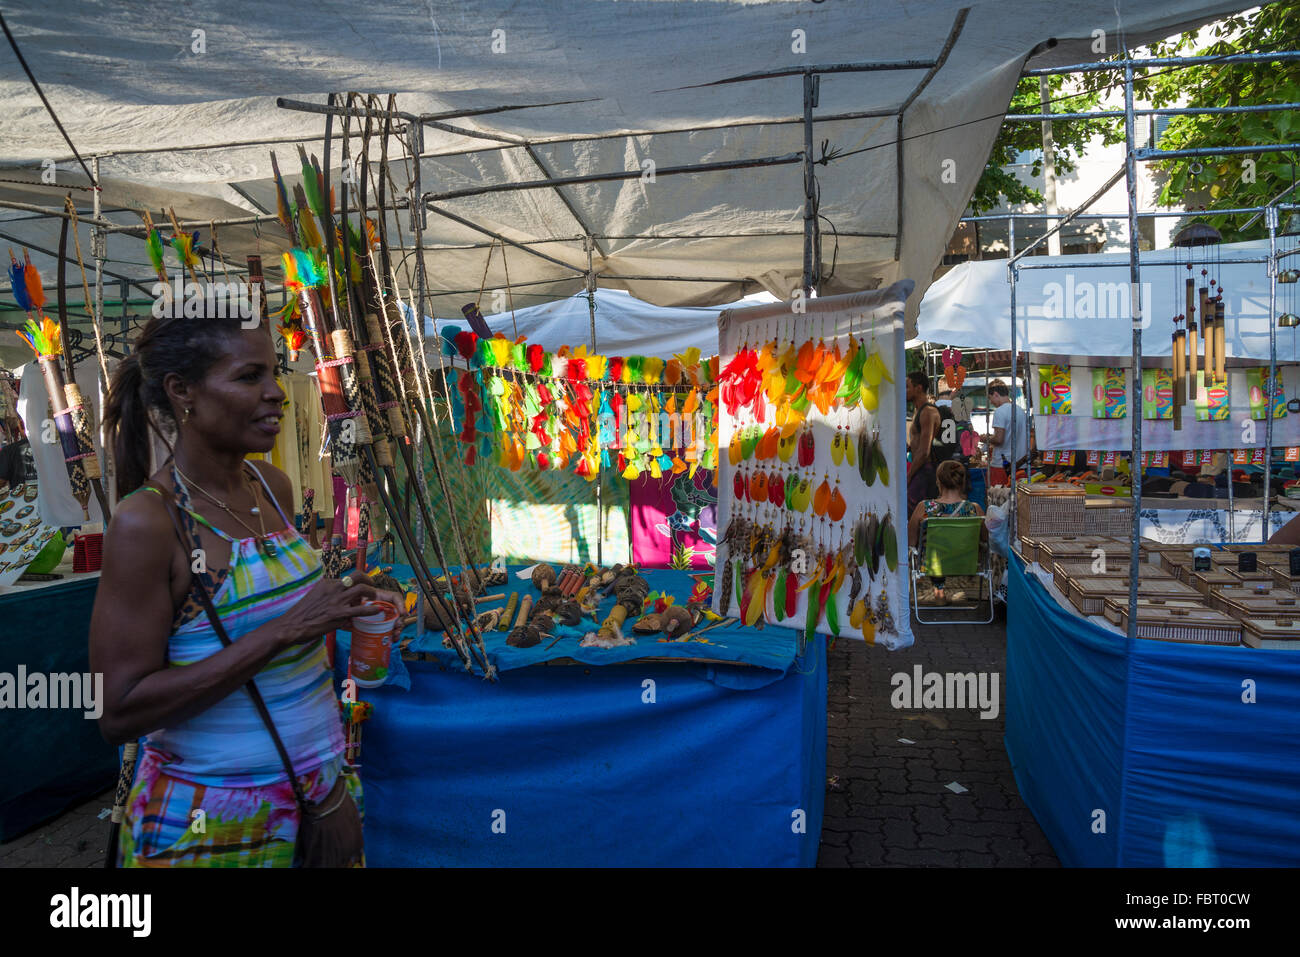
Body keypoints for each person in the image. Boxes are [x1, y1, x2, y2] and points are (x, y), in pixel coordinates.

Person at [91, 312, 403, 867]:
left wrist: (343, 600)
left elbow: (277, 612)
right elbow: (120, 711)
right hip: (210, 822)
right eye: (248, 377)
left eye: (274, 374)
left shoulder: (273, 488)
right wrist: (289, 629)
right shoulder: (151, 523)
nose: (276, 393)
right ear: (181, 392)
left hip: (320, 792)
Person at [908, 459, 985, 604]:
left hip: (932, 565)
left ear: (938, 481)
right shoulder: (975, 509)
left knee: (931, 547)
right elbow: (986, 539)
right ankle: (940, 593)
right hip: (967, 564)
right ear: (962, 483)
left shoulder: (924, 507)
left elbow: (910, 542)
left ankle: (939, 591)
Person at [906, 370, 943, 517]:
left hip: (924, 469)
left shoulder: (927, 412)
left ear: (919, 388)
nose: (905, 391)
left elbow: (924, 450)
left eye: (908, 387)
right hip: (920, 468)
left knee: (913, 512)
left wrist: (909, 475)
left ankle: (915, 540)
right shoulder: (919, 410)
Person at [982, 379, 1030, 486]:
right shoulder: (1020, 411)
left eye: (990, 398)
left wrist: (984, 438)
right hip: (1020, 464)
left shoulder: (1000, 411)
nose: (991, 402)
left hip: (1002, 465)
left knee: (997, 498)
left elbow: (999, 439)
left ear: (995, 394)